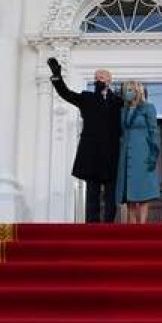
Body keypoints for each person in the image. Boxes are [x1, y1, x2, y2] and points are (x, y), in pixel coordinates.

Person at [48, 58, 122, 223]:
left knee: (111, 194)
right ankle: (92, 227)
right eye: (96, 77)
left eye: (102, 77)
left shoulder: (118, 101)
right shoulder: (87, 98)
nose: (98, 79)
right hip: (92, 153)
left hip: (112, 153)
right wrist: (57, 77)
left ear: (110, 80)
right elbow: (66, 93)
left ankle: (109, 226)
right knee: (92, 193)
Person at [116, 81, 160, 224]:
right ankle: (131, 231)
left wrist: (154, 155)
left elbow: (154, 132)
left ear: (137, 91)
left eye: (130, 90)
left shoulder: (148, 108)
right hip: (126, 156)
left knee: (143, 194)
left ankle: (142, 230)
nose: (127, 92)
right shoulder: (123, 110)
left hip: (143, 154)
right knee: (129, 197)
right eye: (126, 90)